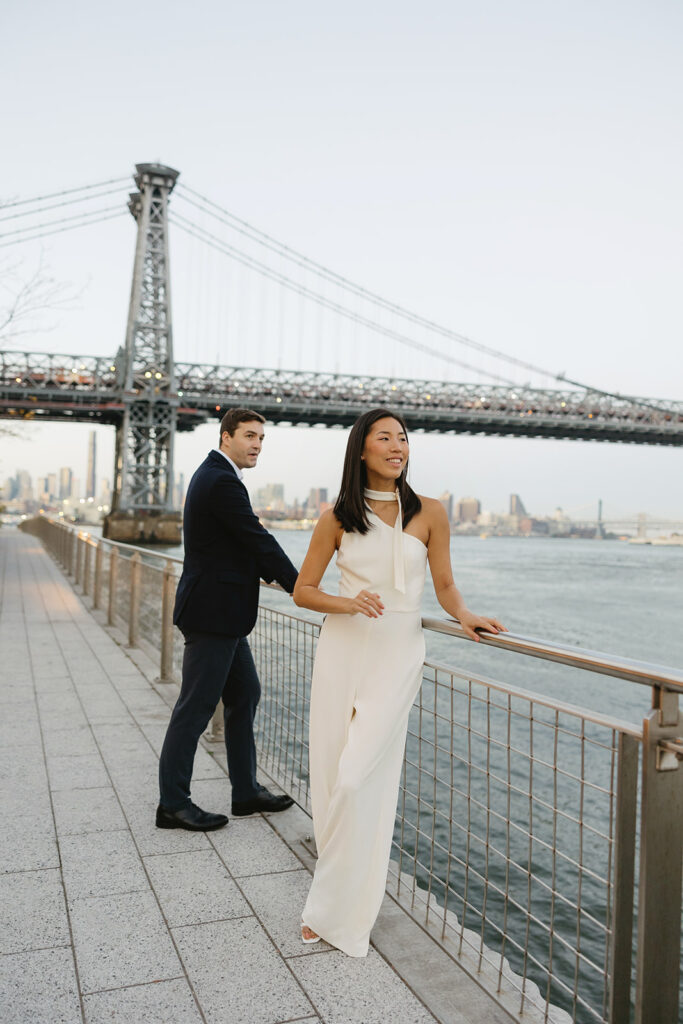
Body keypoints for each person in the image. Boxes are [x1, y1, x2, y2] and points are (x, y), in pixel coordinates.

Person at [293, 408, 506, 954]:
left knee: (359, 780)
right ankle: (333, 896)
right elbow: (303, 590)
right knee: (330, 774)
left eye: (403, 438)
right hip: (343, 649)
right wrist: (347, 601)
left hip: (397, 656)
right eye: (383, 437)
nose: (397, 445)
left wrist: (465, 615)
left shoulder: (431, 512)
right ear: (360, 450)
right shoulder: (336, 517)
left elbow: (445, 583)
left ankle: (334, 910)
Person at [157, 408, 298, 832]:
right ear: (226, 437)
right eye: (250, 436)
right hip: (212, 613)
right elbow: (256, 538)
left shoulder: (218, 475)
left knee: (245, 694)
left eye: (262, 438)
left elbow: (239, 544)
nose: (257, 444)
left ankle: (245, 791)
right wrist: (302, 586)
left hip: (225, 613)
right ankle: (173, 804)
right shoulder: (220, 479)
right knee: (195, 708)